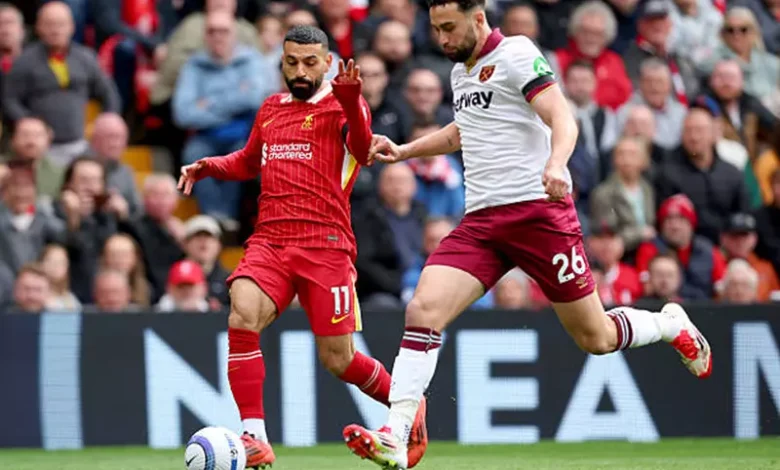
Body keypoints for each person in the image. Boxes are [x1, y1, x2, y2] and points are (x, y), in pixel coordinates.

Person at [342, 0, 713, 468]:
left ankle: (669, 324)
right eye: (436, 29)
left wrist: (556, 164)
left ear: (478, 18)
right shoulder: (460, 71)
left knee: (596, 337)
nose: (443, 39)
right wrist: (404, 150)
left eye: (450, 27)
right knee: (423, 309)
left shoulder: (517, 53)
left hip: (539, 215)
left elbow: (562, 117)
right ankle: (396, 434)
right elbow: (463, 131)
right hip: (482, 222)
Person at [177, 25, 427, 469]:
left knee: (338, 359)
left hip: (325, 246)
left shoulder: (344, 105)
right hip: (270, 240)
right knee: (242, 311)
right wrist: (209, 165)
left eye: (310, 63)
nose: (300, 71)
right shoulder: (271, 109)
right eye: (291, 62)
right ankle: (255, 437)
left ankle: (408, 405)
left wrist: (351, 98)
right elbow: (249, 160)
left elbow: (363, 149)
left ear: (327, 63)